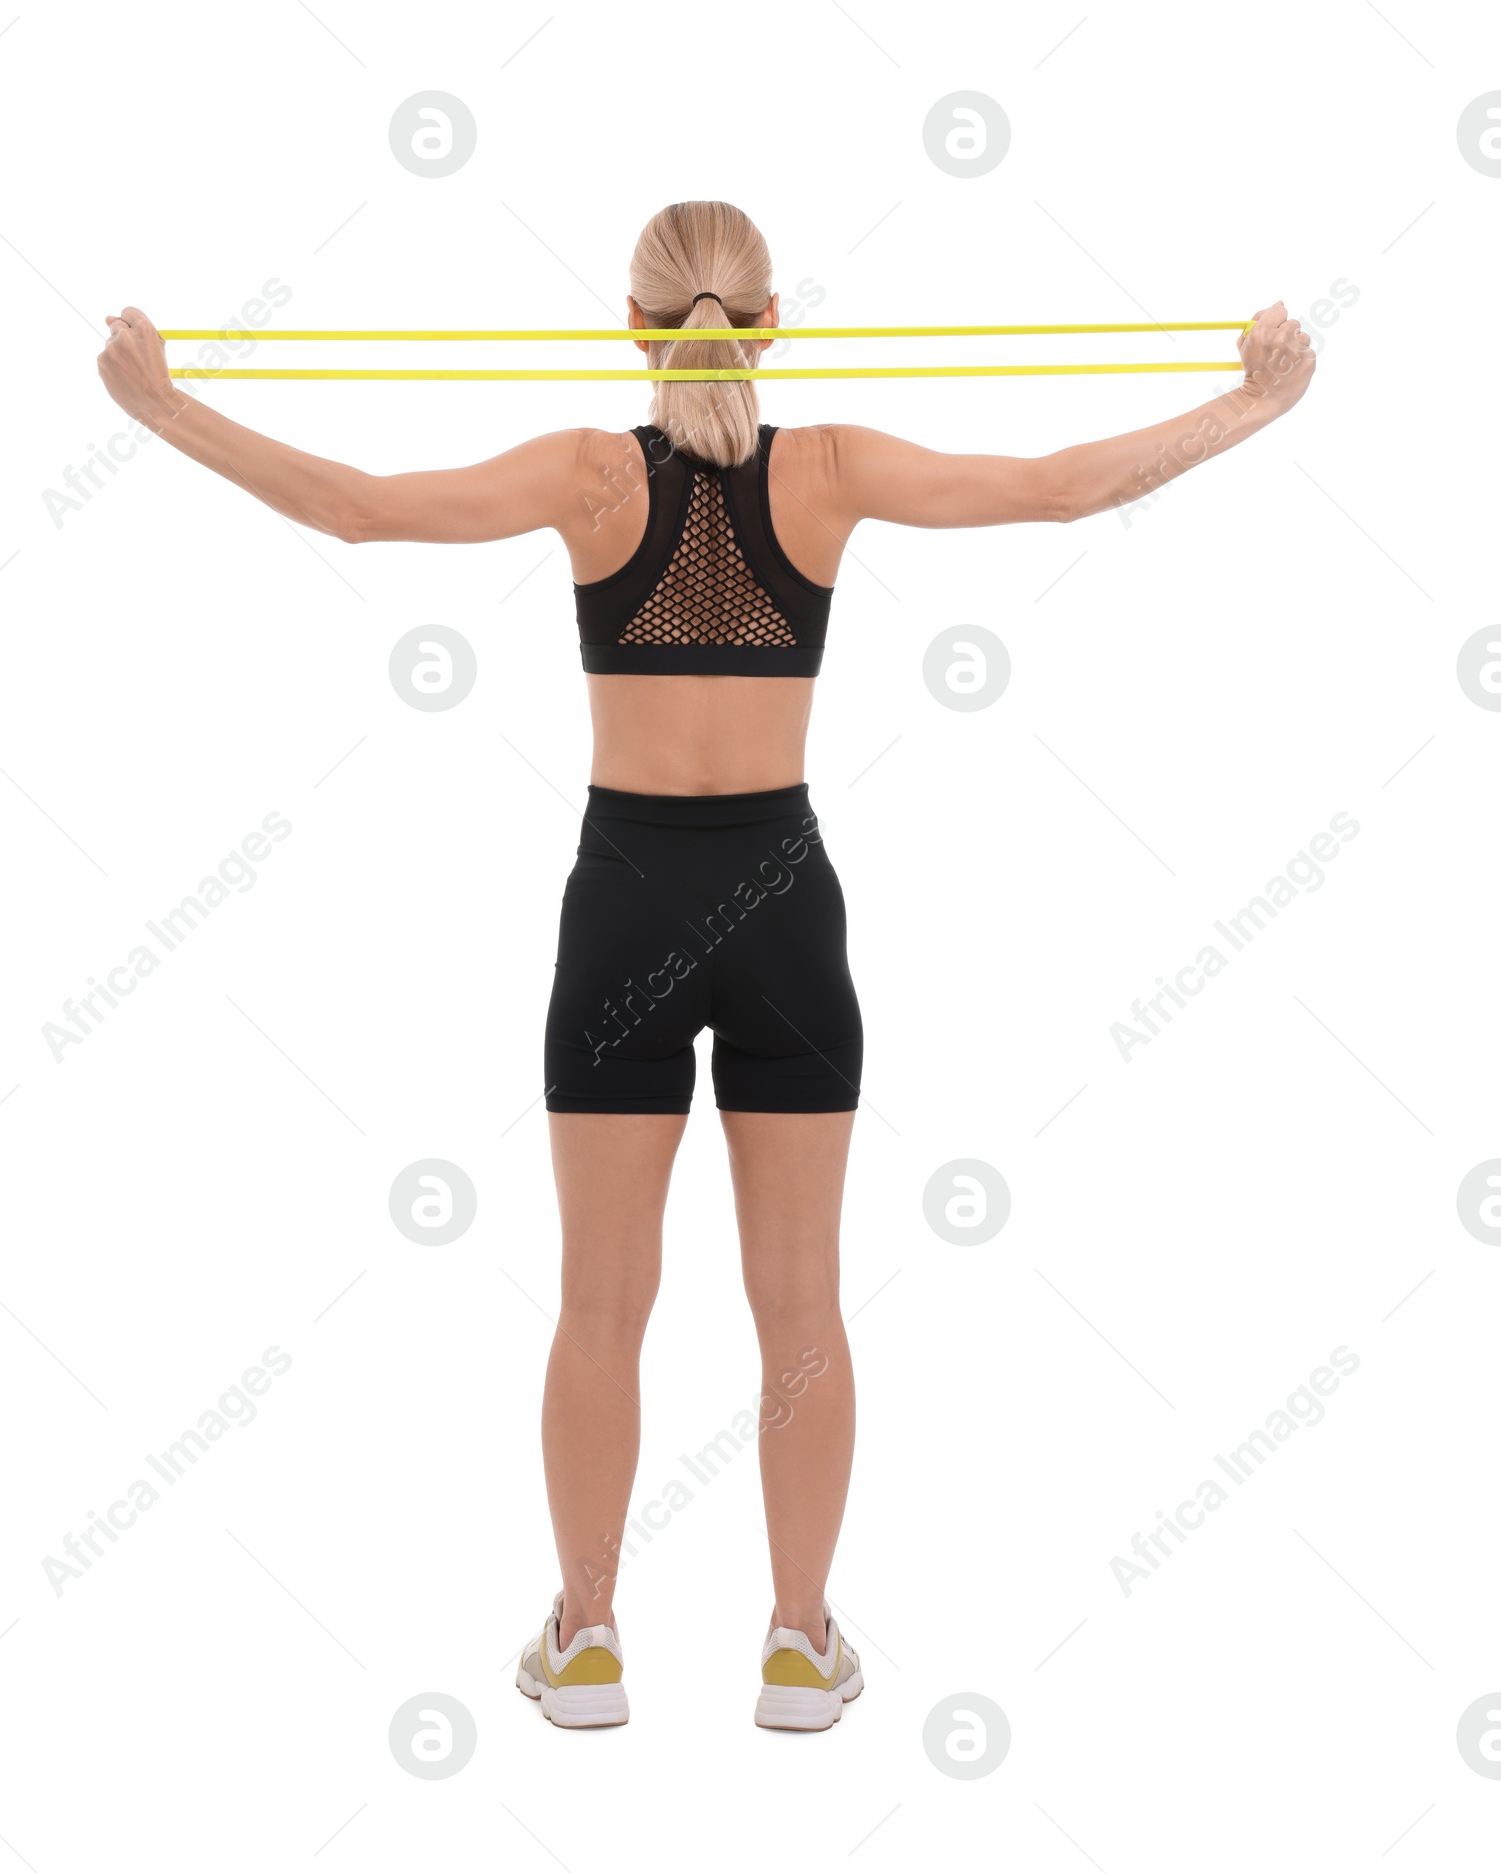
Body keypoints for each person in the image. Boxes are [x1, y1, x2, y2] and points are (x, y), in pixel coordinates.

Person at [98, 199, 1315, 1733]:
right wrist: (1254, 404)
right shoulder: (829, 472)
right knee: (801, 1306)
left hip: (623, 906)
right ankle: (801, 1644)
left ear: (630, 323)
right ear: (776, 319)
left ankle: (587, 1636)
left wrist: (164, 411)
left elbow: (357, 508)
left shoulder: (589, 476)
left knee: (600, 1306)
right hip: (784, 910)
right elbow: (1060, 490)